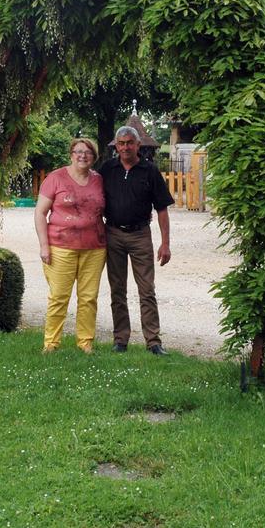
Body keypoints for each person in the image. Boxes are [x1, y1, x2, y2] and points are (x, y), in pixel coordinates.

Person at [100, 125, 174, 356]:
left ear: (138, 145)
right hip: (112, 234)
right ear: (116, 145)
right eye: (121, 143)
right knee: (117, 290)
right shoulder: (107, 169)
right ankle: (120, 339)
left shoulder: (150, 171)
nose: (125, 147)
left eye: (129, 143)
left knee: (147, 290)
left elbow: (162, 209)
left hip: (140, 235)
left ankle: (153, 341)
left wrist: (165, 243)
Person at [34, 138, 106, 354]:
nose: (82, 156)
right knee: (58, 296)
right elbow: (40, 212)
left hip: (95, 247)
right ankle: (51, 343)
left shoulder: (99, 180)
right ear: (71, 154)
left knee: (88, 297)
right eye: (78, 151)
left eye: (88, 152)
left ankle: (85, 343)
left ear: (94, 157)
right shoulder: (55, 178)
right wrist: (44, 246)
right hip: (60, 246)